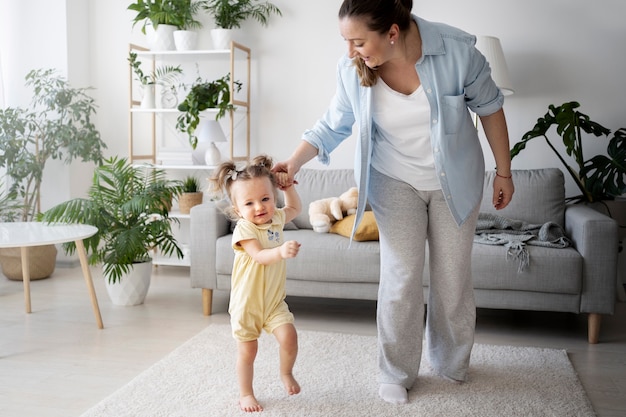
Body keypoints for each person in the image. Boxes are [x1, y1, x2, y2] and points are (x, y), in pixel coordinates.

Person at [272, 0, 514, 405]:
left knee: (452, 275)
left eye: (358, 41)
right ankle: (396, 372)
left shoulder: (457, 51)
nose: (351, 51)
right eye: (346, 41)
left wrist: (504, 172)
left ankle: (451, 364)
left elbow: (491, 109)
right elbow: (332, 125)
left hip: (455, 180)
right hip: (392, 180)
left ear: (392, 33)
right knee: (401, 275)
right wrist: (293, 161)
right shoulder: (353, 69)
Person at [210, 154, 302, 412]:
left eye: (265, 199)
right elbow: (260, 256)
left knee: (289, 337)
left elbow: (295, 210)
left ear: (273, 198)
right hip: (247, 305)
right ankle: (246, 393)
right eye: (249, 203)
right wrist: (281, 252)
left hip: (273, 303)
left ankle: (286, 373)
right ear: (238, 210)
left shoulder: (275, 219)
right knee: (248, 352)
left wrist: (289, 188)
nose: (259, 207)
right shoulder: (244, 229)